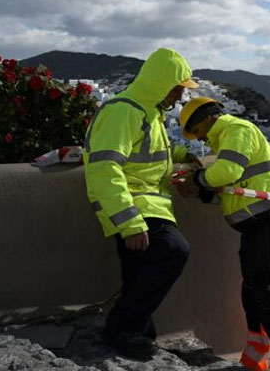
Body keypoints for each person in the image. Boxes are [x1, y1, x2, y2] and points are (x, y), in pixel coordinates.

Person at [176, 97, 270, 371]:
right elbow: (231, 195)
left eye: (197, 131)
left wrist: (197, 179)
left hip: (268, 226)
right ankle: (255, 360)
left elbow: (228, 172)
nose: (199, 138)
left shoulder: (236, 130)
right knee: (253, 295)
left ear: (206, 119)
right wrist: (201, 190)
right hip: (255, 230)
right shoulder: (227, 140)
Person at [83, 47, 199, 361]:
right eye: (177, 89)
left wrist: (183, 157)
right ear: (161, 84)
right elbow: (104, 168)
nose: (179, 97)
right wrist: (129, 221)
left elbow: (153, 153)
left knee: (138, 274)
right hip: (135, 207)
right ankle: (120, 329)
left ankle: (137, 336)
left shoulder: (149, 114)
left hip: (146, 206)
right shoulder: (123, 111)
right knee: (173, 250)